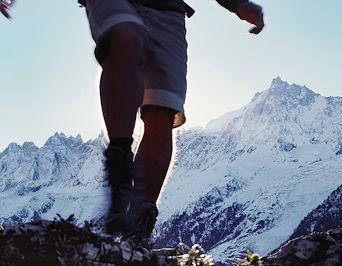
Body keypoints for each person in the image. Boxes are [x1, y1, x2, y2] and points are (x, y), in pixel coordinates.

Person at [1, 0, 264, 240]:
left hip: (168, 10)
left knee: (162, 111)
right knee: (126, 37)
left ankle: (138, 232)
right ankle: (120, 171)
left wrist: (237, 4)